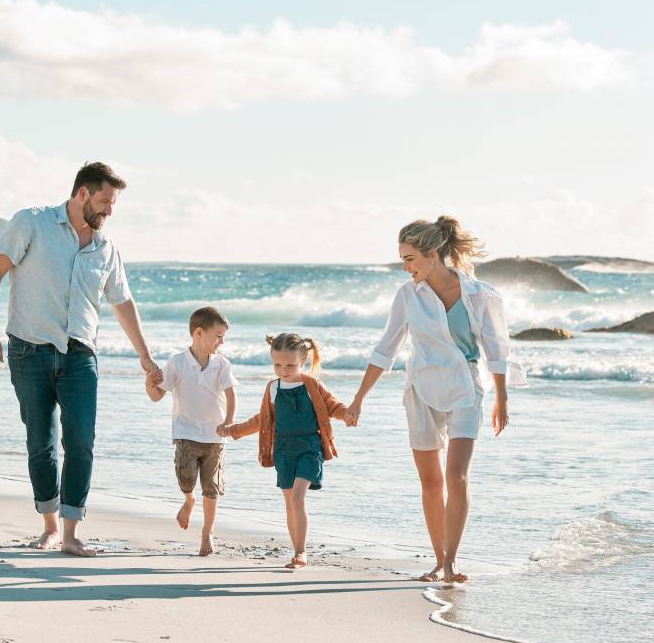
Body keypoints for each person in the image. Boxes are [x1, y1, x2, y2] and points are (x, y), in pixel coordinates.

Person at [0, 161, 161, 557]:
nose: (110, 211)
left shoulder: (105, 248)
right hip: (29, 349)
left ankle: (71, 532)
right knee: (40, 442)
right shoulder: (32, 223)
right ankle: (49, 526)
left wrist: (145, 357)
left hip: (81, 355)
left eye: (113, 204)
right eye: (105, 202)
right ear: (83, 194)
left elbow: (122, 302)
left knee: (81, 441)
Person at [346, 216, 523, 583]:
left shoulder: (479, 295)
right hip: (421, 391)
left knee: (457, 476)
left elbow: (496, 349)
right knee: (431, 482)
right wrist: (359, 398)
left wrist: (502, 398)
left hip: (464, 389)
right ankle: (438, 560)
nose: (405, 267)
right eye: (403, 259)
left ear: (432, 255)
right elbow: (386, 348)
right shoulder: (407, 295)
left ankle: (451, 563)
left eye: (410, 259)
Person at [221, 333, 349, 570]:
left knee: (298, 498)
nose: (283, 370)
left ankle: (301, 553)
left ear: (303, 361)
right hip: (283, 451)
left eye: (290, 365)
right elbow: (263, 420)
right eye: (277, 365)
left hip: (309, 448)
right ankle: (296, 548)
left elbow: (332, 406)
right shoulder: (272, 388)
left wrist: (347, 414)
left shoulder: (311, 386)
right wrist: (234, 430)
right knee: (290, 503)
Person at [145, 306, 237, 556]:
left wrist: (229, 422)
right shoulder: (177, 363)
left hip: (216, 436)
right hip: (186, 432)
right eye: (218, 336)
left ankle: (207, 533)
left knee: (212, 488)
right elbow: (157, 395)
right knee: (186, 479)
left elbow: (231, 395)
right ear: (199, 333)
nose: (222, 342)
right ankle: (189, 499)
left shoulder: (222, 364)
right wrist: (149, 383)